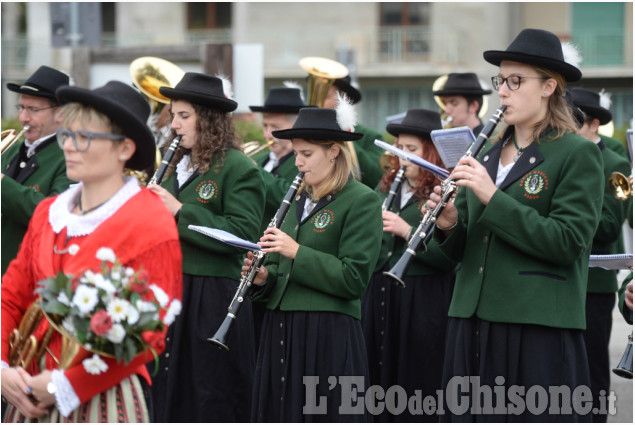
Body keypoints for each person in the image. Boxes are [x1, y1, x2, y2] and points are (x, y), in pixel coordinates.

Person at [428, 28, 604, 421]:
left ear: (549, 87)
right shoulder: (487, 154)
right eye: (500, 81)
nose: (502, 92)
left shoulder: (576, 153)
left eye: (515, 81)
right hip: (469, 319)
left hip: (535, 324)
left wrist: (493, 197)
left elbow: (568, 241)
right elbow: (466, 250)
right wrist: (450, 222)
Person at [1, 80, 182, 422]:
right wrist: (2, 370)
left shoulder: (150, 220)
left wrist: (63, 386)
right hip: (26, 390)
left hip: (103, 398)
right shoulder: (48, 213)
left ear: (124, 149)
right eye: (66, 135)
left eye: (83, 137)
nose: (68, 146)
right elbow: (10, 294)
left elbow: (150, 334)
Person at [245, 105, 383, 422]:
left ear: (333, 151)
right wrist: (264, 278)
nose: (298, 162)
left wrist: (296, 251)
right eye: (296, 153)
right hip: (281, 329)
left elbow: (354, 279)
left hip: (328, 332)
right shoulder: (296, 199)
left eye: (306, 153)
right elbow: (283, 274)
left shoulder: (361, 199)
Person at [147, 72, 265, 422]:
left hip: (212, 294)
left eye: (184, 116)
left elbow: (242, 232)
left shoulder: (239, 168)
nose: (175, 124)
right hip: (170, 288)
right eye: (173, 116)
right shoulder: (172, 166)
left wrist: (181, 211)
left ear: (209, 120)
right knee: (166, 387)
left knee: (209, 391)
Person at [361, 108, 457, 422]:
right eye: (399, 148)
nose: (404, 157)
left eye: (412, 150)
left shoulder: (445, 192)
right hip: (381, 291)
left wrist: (406, 230)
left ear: (431, 153)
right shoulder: (385, 187)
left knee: (417, 375)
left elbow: (449, 259)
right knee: (377, 370)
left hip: (423, 294)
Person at [572, 86, 631, 423]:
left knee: (593, 365)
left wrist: (570, 214)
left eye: (575, 120)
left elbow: (609, 226)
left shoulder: (615, 161)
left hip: (594, 283)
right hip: (563, 277)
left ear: (594, 124)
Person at [1, 66, 74, 276]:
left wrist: (2, 184)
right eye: (21, 107)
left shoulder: (70, 157)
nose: (23, 117)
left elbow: (52, 215)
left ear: (60, 113)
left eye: (33, 109)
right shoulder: (12, 149)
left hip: (32, 275)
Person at [249, 85, 304, 233]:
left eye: (275, 127)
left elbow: (291, 198)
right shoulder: (259, 159)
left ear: (295, 127)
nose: (267, 134)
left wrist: (255, 172)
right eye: (265, 126)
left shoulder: (303, 163)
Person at [323, 75, 385, 189]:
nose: (319, 101)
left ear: (344, 100)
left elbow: (376, 178)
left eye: (325, 96)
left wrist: (344, 135)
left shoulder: (370, 136)